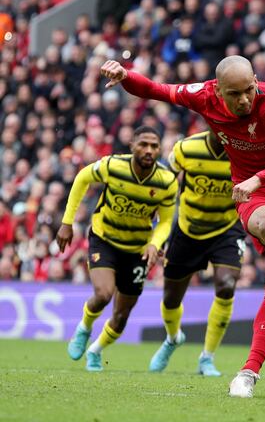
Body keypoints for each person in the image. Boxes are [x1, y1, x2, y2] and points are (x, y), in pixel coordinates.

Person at [100, 56, 265, 398]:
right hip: (249, 189)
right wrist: (125, 76)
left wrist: (260, 178)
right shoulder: (203, 96)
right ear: (218, 91)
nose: (244, 100)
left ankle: (248, 372)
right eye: (235, 94)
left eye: (249, 90)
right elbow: (156, 90)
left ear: (257, 81)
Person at [58, 126, 178, 372]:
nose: (149, 150)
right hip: (105, 239)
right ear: (132, 145)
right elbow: (82, 177)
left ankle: (95, 351)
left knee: (121, 316)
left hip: (137, 250)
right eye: (143, 144)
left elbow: (166, 220)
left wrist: (155, 243)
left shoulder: (166, 180)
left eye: (154, 146)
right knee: (103, 294)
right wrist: (67, 222)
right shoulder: (113, 166)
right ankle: (84, 328)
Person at [147, 131, 246, 377]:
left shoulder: (245, 150)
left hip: (226, 229)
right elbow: (166, 180)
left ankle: (207, 358)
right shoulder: (186, 149)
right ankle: (172, 338)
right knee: (171, 297)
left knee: (226, 285)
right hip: (187, 229)